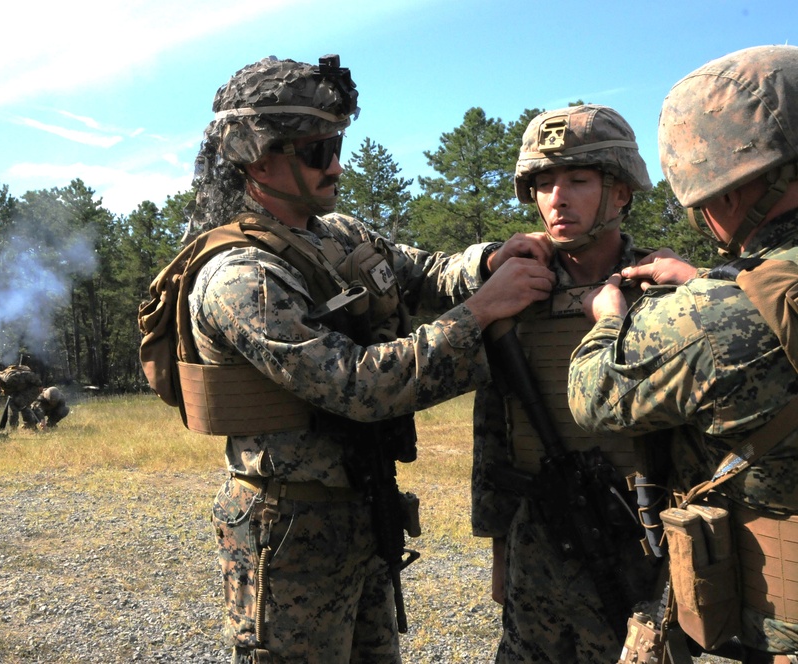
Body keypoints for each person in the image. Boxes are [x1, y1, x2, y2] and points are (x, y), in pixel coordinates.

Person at [148, 54, 555, 664]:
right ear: (259, 159)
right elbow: (361, 386)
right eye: (316, 151)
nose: (335, 164)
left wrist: (488, 263)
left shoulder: (338, 234)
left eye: (336, 143)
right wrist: (480, 314)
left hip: (359, 506)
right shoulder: (241, 277)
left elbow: (422, 271)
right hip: (287, 529)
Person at [569, 44, 798, 663]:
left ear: (720, 183)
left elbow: (592, 394)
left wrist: (606, 318)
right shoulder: (732, 301)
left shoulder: (709, 314)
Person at [460, 104, 664, 662]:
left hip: (638, 537)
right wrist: (499, 546)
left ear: (620, 192)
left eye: (577, 180)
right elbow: (493, 433)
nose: (557, 199)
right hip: (538, 533)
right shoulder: (519, 294)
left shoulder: (660, 290)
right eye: (544, 184)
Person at [0, 365, 44, 429]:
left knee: (19, 401)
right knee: (13, 403)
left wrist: (39, 384)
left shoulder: (8, 379)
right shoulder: (2, 383)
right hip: (23, 390)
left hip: (34, 387)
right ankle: (14, 427)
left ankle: (30, 425)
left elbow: (30, 375)